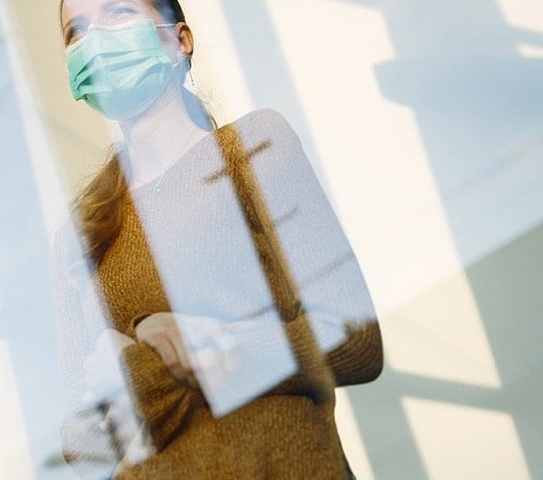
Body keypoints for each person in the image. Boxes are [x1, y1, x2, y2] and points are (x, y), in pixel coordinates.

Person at [52, 0, 383, 478]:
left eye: (119, 13)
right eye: (75, 32)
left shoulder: (251, 147)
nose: (94, 41)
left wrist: (155, 364)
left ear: (179, 40)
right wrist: (227, 350)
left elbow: (356, 341)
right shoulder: (77, 234)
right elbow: (77, 440)